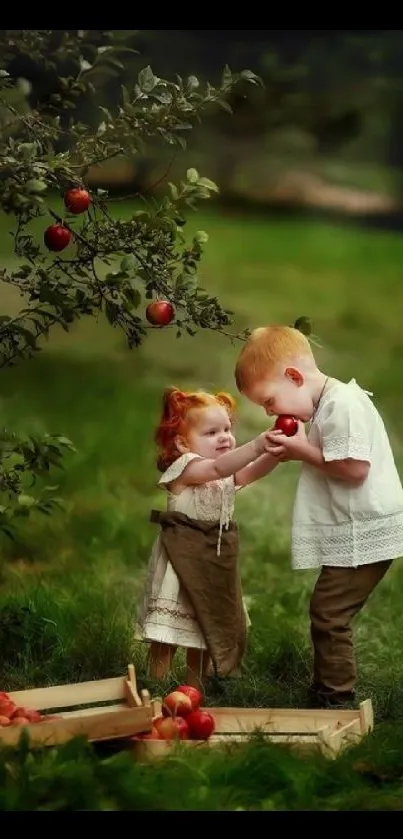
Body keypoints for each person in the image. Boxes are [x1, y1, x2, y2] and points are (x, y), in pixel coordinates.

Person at [235, 323, 403, 708]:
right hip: (356, 528)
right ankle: (327, 691)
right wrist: (235, 481)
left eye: (270, 401)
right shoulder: (325, 406)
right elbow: (273, 457)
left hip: (367, 529)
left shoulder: (343, 405)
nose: (269, 411)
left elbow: (355, 467)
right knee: (328, 611)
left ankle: (336, 699)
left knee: (329, 614)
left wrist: (301, 451)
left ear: (293, 377)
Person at [136, 386, 279, 688]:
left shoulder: (223, 472)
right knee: (169, 631)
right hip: (182, 560)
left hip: (211, 561)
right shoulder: (187, 468)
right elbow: (216, 467)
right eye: (212, 432)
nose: (225, 437)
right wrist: (257, 444)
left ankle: (193, 691)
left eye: (227, 429)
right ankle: (157, 685)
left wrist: (276, 453)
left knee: (203, 629)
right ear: (182, 442)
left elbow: (251, 472)